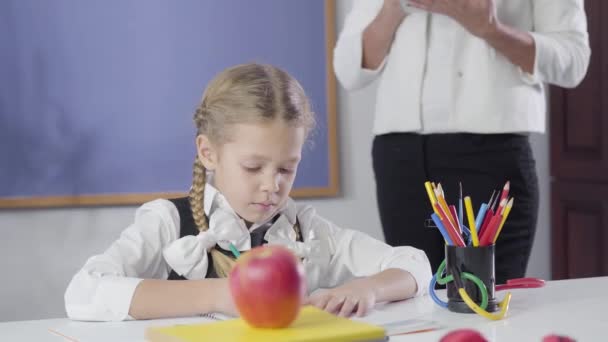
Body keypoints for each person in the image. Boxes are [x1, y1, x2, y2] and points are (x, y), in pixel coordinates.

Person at [64, 63, 432, 321]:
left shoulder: (307, 232)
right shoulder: (166, 222)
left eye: (287, 168)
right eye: (253, 167)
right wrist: (224, 296)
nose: (272, 186)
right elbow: (84, 292)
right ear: (208, 152)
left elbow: (415, 264)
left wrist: (366, 290)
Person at [333, 0, 590, 283]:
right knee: (412, 298)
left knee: (486, 300)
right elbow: (348, 70)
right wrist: (394, 6)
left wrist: (490, 29)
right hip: (400, 156)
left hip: (492, 152)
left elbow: (573, 60)